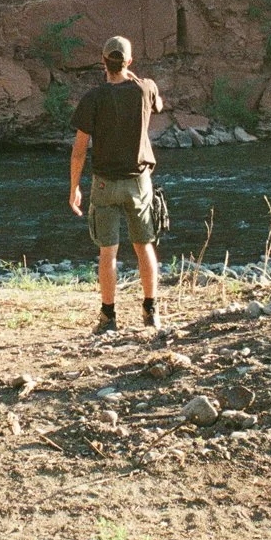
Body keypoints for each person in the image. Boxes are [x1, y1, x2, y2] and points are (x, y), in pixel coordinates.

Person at [68, 36, 164, 333]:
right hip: (139, 183)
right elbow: (158, 104)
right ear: (129, 62)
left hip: (104, 185)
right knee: (144, 246)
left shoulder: (93, 99)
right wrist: (135, 78)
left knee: (108, 252)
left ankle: (108, 317)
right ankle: (151, 312)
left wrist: (74, 188)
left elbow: (79, 150)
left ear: (102, 62)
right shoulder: (145, 88)